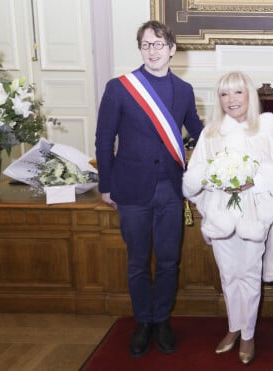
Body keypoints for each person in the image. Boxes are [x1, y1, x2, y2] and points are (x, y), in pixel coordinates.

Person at [95, 20, 203, 358]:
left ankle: (161, 320)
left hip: (171, 190)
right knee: (138, 262)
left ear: (172, 49)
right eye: (146, 45)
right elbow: (103, 139)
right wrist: (106, 185)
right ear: (140, 49)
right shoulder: (120, 87)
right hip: (131, 191)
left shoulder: (184, 90)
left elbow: (199, 131)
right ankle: (143, 321)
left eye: (158, 44)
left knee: (169, 261)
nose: (152, 51)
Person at [182, 71, 273, 365]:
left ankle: (248, 334)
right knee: (228, 275)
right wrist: (218, 180)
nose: (231, 100)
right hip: (221, 215)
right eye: (225, 94)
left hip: (254, 216)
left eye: (238, 92)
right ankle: (233, 328)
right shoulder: (211, 132)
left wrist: (255, 181)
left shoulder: (265, 129)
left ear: (249, 95)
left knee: (249, 276)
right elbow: (196, 173)